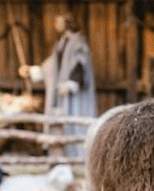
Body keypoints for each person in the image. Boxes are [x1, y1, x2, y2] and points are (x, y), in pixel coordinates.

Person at [19, 12, 97, 157]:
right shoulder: (61, 43)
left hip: (74, 96)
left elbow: (80, 65)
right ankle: (62, 159)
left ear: (67, 23)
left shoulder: (78, 43)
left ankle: (78, 157)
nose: (56, 25)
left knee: (75, 125)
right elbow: (50, 67)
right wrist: (31, 71)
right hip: (60, 96)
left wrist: (71, 84)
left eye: (58, 21)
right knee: (60, 128)